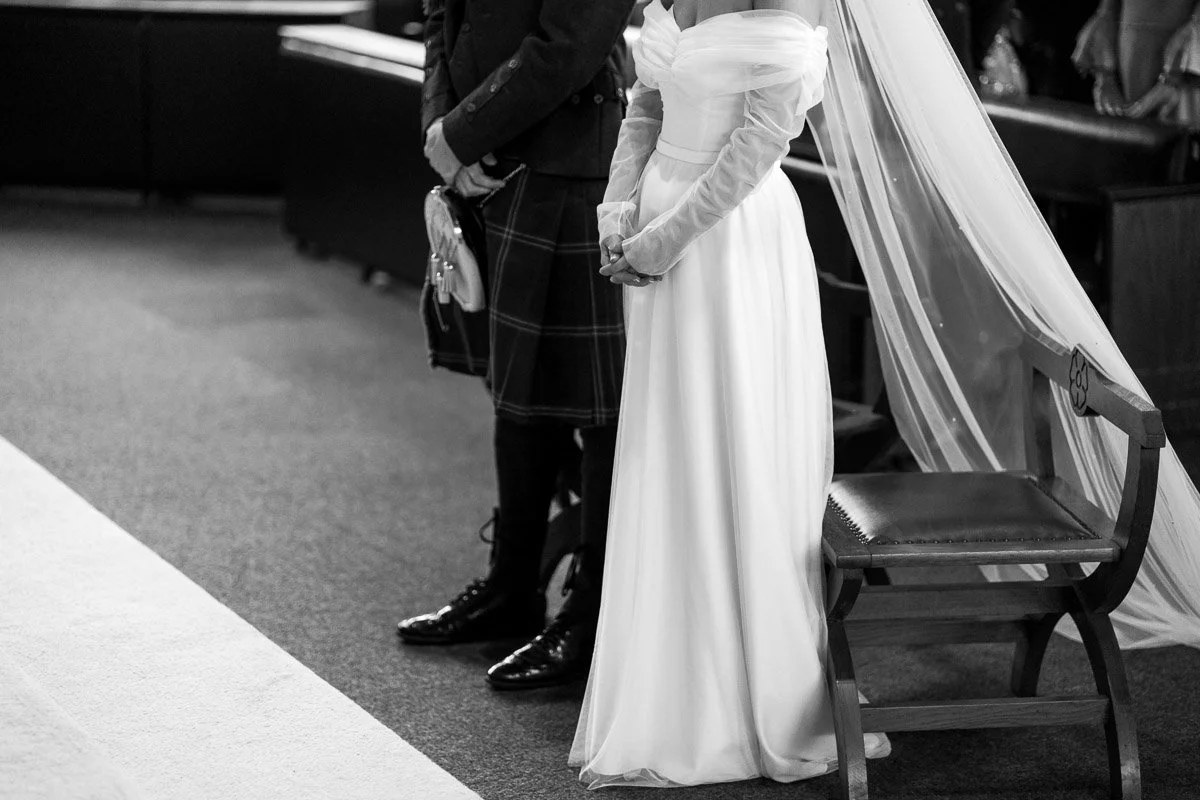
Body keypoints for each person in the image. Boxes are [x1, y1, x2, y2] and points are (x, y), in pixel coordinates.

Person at [570, 0, 889, 786]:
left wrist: (664, 239)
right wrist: (617, 212)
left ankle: (751, 695)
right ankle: (669, 682)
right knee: (670, 448)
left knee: (734, 441)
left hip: (730, 238)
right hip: (656, 221)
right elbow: (645, 102)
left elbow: (761, 140)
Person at [396, 0, 635, 690]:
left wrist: (466, 133)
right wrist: (445, 138)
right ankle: (512, 586)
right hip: (490, 162)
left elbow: (572, 41)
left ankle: (591, 616)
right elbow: (443, 14)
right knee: (516, 391)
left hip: (573, 162)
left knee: (599, 410)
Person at [1074, 0, 1200, 127]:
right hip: (1129, 47)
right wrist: (1105, 76)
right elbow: (1107, 10)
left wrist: (1172, 78)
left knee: (1179, 135)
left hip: (1188, 67)